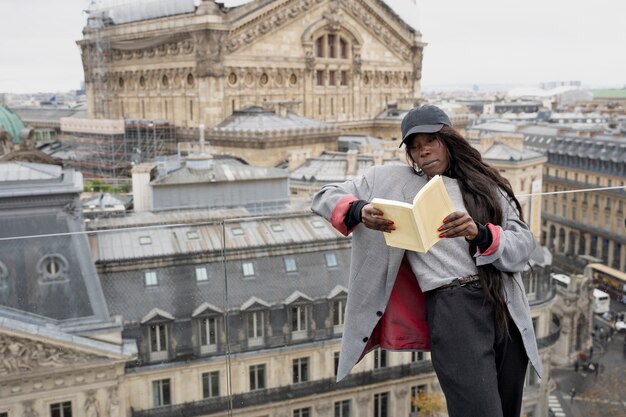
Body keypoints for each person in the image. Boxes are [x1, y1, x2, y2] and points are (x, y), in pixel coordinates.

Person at [311, 105, 541, 417]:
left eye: (430, 141)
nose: (422, 152)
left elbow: (524, 243)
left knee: (507, 408)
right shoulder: (388, 179)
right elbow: (323, 195)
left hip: (504, 303)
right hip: (453, 307)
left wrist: (481, 234)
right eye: (415, 146)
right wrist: (359, 210)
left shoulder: (486, 184)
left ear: (448, 140)